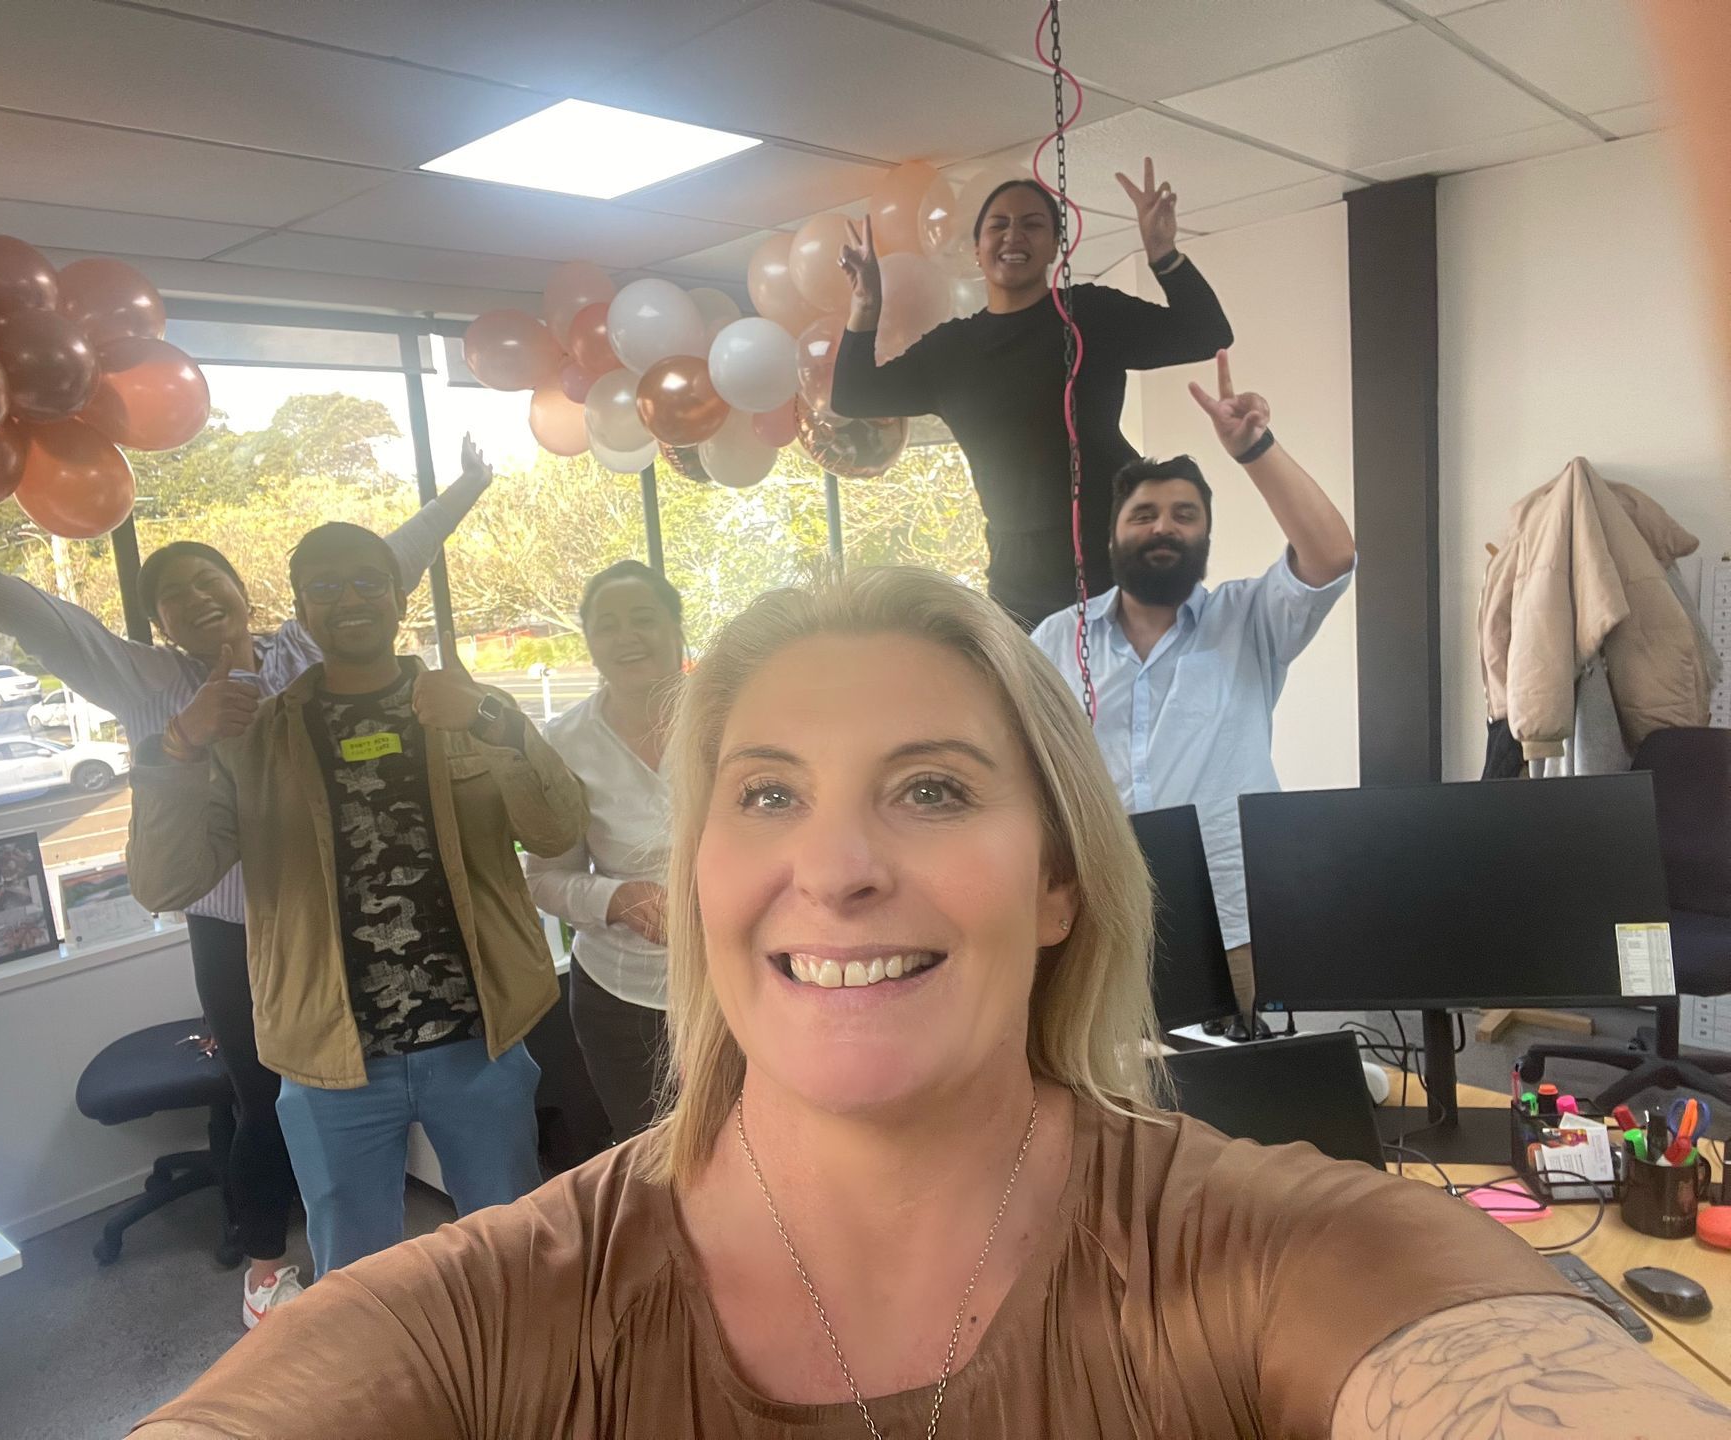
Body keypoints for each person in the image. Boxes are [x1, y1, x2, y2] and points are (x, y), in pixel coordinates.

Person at [127, 566, 1718, 1440]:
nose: (834, 869)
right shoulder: (495, 1316)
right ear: (699, 872)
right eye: (763, 796)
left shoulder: (1280, 1252)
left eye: (935, 789)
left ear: (1057, 881)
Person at [0, 435, 498, 1328]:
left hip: (332, 922)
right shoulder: (147, 682)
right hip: (235, 933)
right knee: (263, 1097)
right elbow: (43, 619)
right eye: (175, 597)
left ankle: (360, 1249)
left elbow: (389, 560)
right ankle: (264, 1267)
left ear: (244, 592)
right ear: (158, 622)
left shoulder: (299, 654)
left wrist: (466, 487)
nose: (199, 601)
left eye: (212, 583)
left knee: (340, 1088)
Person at [125, 521, 585, 1281]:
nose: (349, 600)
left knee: (514, 1255)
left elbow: (557, 826)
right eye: (325, 587)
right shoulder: (255, 737)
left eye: (368, 581)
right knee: (355, 1280)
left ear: (399, 598)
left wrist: (492, 722)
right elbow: (164, 882)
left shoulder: (471, 709)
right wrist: (177, 747)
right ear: (301, 611)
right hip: (328, 1053)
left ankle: (523, 1388)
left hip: (479, 1040)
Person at [1031, 352, 1354, 1019]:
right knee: (1106, 1092)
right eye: (1144, 514)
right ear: (1114, 534)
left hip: (1232, 915)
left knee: (1242, 1093)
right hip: (1100, 915)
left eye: (1184, 514)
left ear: (1205, 534)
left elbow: (1332, 555)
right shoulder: (1058, 640)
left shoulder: (1248, 621)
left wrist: (1253, 448)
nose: (1164, 528)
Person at [832, 160, 1233, 629]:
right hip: (1021, 574)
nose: (1013, 236)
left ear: (1054, 248)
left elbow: (1206, 334)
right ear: (977, 250)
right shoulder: (951, 350)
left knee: (1140, 692)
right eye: (998, 225)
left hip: (1119, 546)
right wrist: (866, 304)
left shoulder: (1090, 315)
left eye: (1032, 224)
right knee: (1037, 697)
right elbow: (854, 394)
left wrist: (1163, 253)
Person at [525, 560, 680, 1141]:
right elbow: (544, 877)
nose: (627, 637)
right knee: (653, 1160)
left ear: (676, 627)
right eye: (607, 626)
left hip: (745, 980)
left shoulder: (732, 718)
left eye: (644, 619)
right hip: (623, 998)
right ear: (589, 641)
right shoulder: (563, 742)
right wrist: (617, 898)